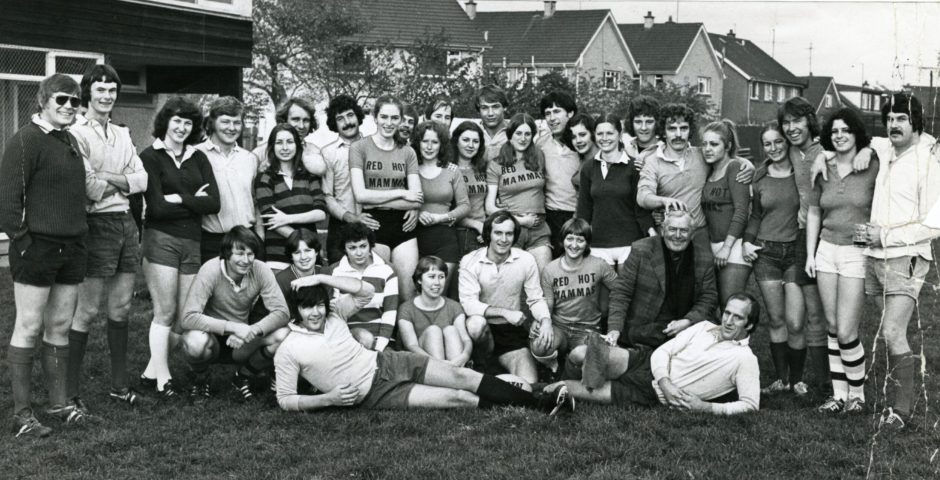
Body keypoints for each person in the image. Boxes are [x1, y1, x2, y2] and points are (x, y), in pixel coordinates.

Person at [273, 276, 574, 414]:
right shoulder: (289, 348)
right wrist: (329, 399)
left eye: (319, 306)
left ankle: (540, 403)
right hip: (375, 394)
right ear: (295, 310)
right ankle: (541, 395)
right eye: (307, 308)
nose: (315, 313)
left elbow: (365, 290)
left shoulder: (335, 314)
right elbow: (285, 399)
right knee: (458, 398)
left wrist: (321, 277)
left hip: (388, 361)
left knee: (462, 376)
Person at [0, 74, 110, 436]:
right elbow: (7, 202)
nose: (68, 106)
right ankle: (22, 415)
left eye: (74, 101)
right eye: (61, 99)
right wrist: (24, 241)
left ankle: (59, 404)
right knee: (29, 326)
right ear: (43, 101)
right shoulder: (25, 141)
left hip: (72, 247)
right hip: (37, 249)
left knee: (60, 326)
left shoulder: (70, 140)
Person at [67, 65, 149, 410]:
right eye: (100, 90)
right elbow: (88, 186)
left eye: (112, 90)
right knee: (85, 310)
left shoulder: (122, 132)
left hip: (126, 223)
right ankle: (69, 393)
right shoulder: (75, 132)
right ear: (88, 93)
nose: (106, 96)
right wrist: (121, 179)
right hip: (95, 225)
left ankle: (119, 386)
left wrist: (108, 176)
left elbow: (142, 180)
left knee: (122, 307)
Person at [546, 293, 760, 415]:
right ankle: (579, 372)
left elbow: (750, 405)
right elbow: (664, 350)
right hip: (646, 363)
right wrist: (665, 382)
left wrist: (706, 407)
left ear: (749, 325)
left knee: (563, 389)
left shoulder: (744, 358)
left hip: (648, 394)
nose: (728, 321)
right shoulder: (703, 326)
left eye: (737, 317)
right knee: (579, 353)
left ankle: (530, 389)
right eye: (727, 313)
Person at [864, 93, 940, 430]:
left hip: (906, 255)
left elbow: (934, 224)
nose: (894, 125)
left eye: (902, 119)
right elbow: (853, 138)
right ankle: (896, 402)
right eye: (890, 118)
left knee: (894, 331)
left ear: (917, 124)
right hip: (876, 256)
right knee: (888, 331)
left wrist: (885, 237)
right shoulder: (884, 148)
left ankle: (902, 410)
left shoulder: (929, 159)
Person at [138, 97, 220, 398]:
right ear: (166, 122)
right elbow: (157, 208)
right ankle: (163, 378)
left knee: (186, 316)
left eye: (188, 123)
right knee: (165, 311)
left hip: (192, 241)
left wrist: (180, 197)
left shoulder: (198, 158)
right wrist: (193, 199)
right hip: (161, 239)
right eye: (177, 121)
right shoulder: (150, 156)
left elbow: (214, 202)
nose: (183, 127)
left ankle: (149, 370)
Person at [805, 108, 878, 414]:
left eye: (845, 130)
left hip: (856, 251)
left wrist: (870, 148)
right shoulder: (823, 165)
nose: (839, 136)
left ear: (856, 133)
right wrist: (810, 254)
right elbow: (814, 212)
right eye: (834, 131)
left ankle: (858, 396)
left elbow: (896, 143)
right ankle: (839, 395)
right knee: (833, 326)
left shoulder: (872, 162)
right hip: (825, 251)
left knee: (848, 330)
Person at [180, 226, 290, 401]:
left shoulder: (260, 269)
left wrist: (251, 330)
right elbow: (187, 318)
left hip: (242, 341)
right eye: (240, 253)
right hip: (212, 337)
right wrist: (233, 327)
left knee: (283, 334)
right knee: (194, 342)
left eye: (250, 254)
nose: (246, 260)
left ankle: (242, 376)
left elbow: (282, 312)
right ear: (226, 253)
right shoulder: (211, 269)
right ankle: (201, 378)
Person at [743, 122, 808, 396]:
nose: (774, 148)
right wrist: (747, 241)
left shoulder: (801, 173)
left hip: (795, 253)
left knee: (795, 322)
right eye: (768, 143)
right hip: (766, 253)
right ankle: (781, 379)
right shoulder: (759, 177)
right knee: (776, 320)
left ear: (787, 142)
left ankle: (798, 379)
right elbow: (756, 215)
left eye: (779, 141)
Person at [776, 97, 834, 394]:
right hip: (803, 235)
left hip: (833, 236)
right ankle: (824, 379)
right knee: (814, 312)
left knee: (833, 312)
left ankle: (840, 374)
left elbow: (866, 145)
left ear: (809, 121)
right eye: (786, 122)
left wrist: (826, 154)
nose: (791, 127)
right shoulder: (793, 151)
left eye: (797, 121)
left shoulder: (827, 148)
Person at [636, 104, 753, 249]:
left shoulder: (701, 155)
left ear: (690, 130)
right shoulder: (652, 162)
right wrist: (663, 201)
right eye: (672, 128)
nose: (678, 134)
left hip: (700, 235)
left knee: (704, 272)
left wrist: (747, 164)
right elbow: (642, 197)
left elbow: (725, 158)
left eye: (683, 128)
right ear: (664, 132)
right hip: (670, 236)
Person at [459, 211, 554, 384]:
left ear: (515, 236)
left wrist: (546, 320)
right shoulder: (470, 261)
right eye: (498, 233)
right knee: (475, 324)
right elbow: (469, 304)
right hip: (483, 332)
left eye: (509, 233)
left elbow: (535, 298)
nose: (504, 239)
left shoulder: (525, 259)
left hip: (510, 332)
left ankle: (496, 372)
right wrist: (504, 312)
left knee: (529, 383)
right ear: (488, 234)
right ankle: (480, 364)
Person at [607, 210, 718, 349]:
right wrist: (615, 329)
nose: (677, 236)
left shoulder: (704, 257)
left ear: (693, 234)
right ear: (663, 230)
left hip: (684, 327)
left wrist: (688, 321)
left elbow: (709, 297)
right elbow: (621, 292)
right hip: (644, 327)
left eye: (683, 231)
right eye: (672, 229)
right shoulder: (642, 250)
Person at [349, 94, 423, 300]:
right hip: (374, 224)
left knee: (407, 292)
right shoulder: (359, 148)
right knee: (378, 293)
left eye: (394, 118)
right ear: (375, 117)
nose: (389, 123)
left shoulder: (407, 152)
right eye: (384, 117)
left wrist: (382, 197)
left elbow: (416, 199)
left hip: (404, 225)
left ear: (400, 120)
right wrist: (401, 192)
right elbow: (361, 195)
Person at [576, 112, 654, 268]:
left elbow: (640, 208)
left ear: (620, 135)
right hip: (599, 244)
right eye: (600, 133)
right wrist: (579, 239)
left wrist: (652, 232)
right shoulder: (588, 168)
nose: (604, 138)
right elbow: (584, 209)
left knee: (626, 291)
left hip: (630, 242)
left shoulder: (634, 167)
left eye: (610, 133)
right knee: (603, 292)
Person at [539, 219, 618, 356]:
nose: (574, 245)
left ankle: (569, 366)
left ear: (587, 243)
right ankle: (553, 365)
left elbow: (621, 291)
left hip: (588, 328)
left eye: (580, 240)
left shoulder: (599, 265)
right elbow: (549, 303)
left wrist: (614, 327)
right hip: (559, 326)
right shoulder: (550, 269)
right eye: (569, 239)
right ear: (562, 240)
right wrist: (542, 322)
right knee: (540, 345)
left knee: (584, 356)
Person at [253, 123, 327, 268]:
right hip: (278, 255)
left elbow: (321, 213)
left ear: (297, 146)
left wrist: (287, 218)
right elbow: (271, 221)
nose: (285, 148)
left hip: (309, 256)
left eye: (290, 142)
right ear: (272, 147)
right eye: (279, 143)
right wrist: (304, 242)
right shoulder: (265, 178)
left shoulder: (308, 176)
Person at [197, 96, 260, 263]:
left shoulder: (250, 159)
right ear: (212, 123)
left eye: (237, 122)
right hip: (212, 242)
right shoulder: (195, 155)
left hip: (247, 239)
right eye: (225, 122)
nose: (232, 128)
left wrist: (260, 238)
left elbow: (255, 202)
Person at [486, 113, 552, 271]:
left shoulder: (539, 157)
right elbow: (490, 208)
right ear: (510, 135)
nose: (523, 138)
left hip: (539, 228)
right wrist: (520, 221)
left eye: (527, 134)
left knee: (544, 278)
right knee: (512, 281)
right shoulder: (497, 164)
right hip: (510, 230)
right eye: (519, 133)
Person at [320, 94, 379, 264]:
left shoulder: (375, 147)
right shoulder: (329, 153)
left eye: (350, 115)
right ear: (334, 124)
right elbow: (327, 196)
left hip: (373, 223)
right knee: (339, 280)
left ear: (358, 116)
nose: (347, 122)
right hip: (341, 227)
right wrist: (351, 217)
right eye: (340, 118)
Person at [412, 121, 470, 292]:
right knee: (417, 293)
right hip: (414, 237)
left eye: (435, 142)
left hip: (445, 238)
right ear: (418, 142)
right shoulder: (410, 169)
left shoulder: (452, 170)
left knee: (439, 292)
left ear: (441, 145)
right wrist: (418, 213)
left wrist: (441, 217)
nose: (429, 147)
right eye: (425, 141)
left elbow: (465, 206)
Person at [701, 119, 752, 305]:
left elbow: (741, 211)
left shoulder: (734, 167)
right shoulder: (709, 170)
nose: (707, 148)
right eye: (705, 143)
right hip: (713, 247)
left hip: (734, 246)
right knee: (716, 307)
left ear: (727, 146)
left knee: (731, 306)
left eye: (714, 144)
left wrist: (727, 247)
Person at [327, 222, 399, 352]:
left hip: (382, 338)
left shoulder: (386, 270)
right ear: (344, 249)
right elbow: (335, 314)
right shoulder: (336, 271)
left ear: (370, 245)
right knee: (365, 338)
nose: (359, 252)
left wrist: (380, 346)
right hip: (348, 335)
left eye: (363, 246)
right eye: (352, 248)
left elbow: (390, 312)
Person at [398, 256, 472, 366]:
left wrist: (464, 356)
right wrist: (439, 363)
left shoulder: (454, 306)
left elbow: (465, 339)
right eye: (431, 277)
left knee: (451, 330)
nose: (437, 282)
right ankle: (445, 375)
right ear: (419, 279)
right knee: (433, 331)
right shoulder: (406, 309)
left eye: (441, 277)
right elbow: (411, 346)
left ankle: (456, 374)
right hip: (424, 364)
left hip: (453, 362)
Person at [536, 91, 580, 258]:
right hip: (551, 215)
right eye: (547, 113)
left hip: (578, 213)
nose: (552, 118)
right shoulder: (540, 144)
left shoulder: (582, 142)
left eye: (557, 111)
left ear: (570, 113)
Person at [251, 97, 326, 176]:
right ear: (283, 120)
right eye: (296, 119)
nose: (301, 126)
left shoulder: (315, 152)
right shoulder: (260, 153)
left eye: (306, 120)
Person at [451, 121, 489, 257]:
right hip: (459, 232)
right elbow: (446, 209)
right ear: (456, 141)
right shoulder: (448, 169)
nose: (471, 145)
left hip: (482, 233)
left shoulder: (481, 169)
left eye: (475, 141)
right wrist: (476, 225)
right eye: (466, 140)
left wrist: (486, 228)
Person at [623, 95, 660, 170]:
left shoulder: (664, 151)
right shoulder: (625, 151)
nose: (643, 128)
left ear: (657, 123)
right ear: (631, 123)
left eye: (649, 122)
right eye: (638, 122)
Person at [562, 113, 598, 190]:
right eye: (573, 137)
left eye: (582, 135)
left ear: (593, 134)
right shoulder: (582, 160)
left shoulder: (606, 160)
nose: (578, 141)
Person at [476, 84, 510, 162]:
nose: (490, 113)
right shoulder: (473, 133)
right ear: (479, 110)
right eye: (484, 108)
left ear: (504, 108)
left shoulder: (515, 132)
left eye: (495, 107)